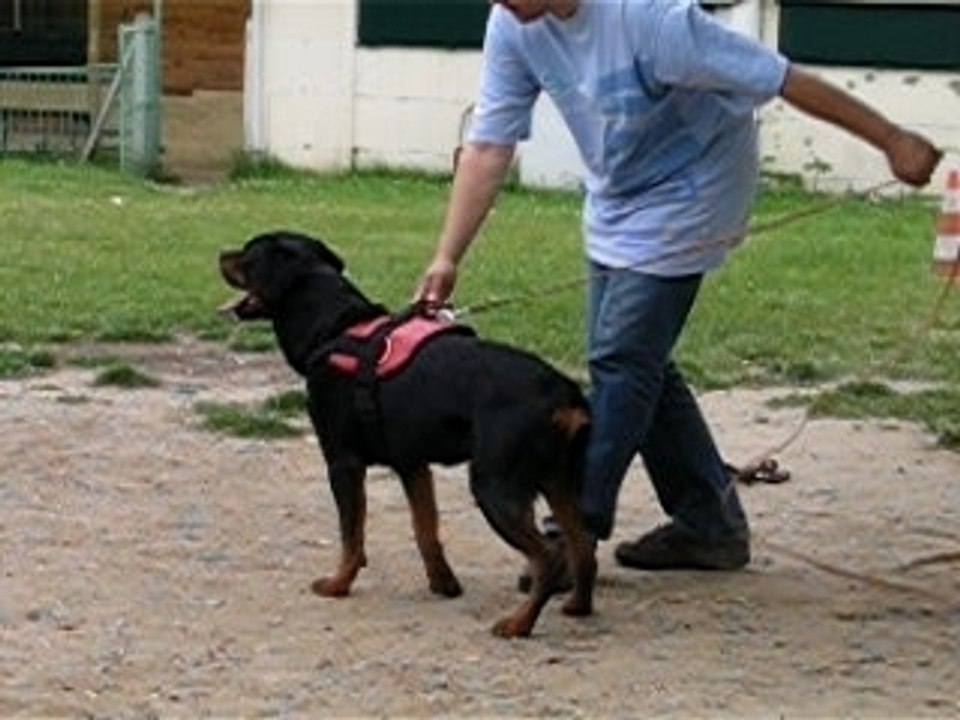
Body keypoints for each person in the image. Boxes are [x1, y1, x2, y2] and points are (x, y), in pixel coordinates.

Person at [416, 0, 942, 575]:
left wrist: (892, 139)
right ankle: (709, 525)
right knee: (641, 364)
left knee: (621, 359)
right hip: (619, 196)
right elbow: (489, 144)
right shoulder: (512, 26)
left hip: (696, 187)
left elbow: (783, 78)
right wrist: (447, 255)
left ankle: (574, 529)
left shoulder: (653, 18)